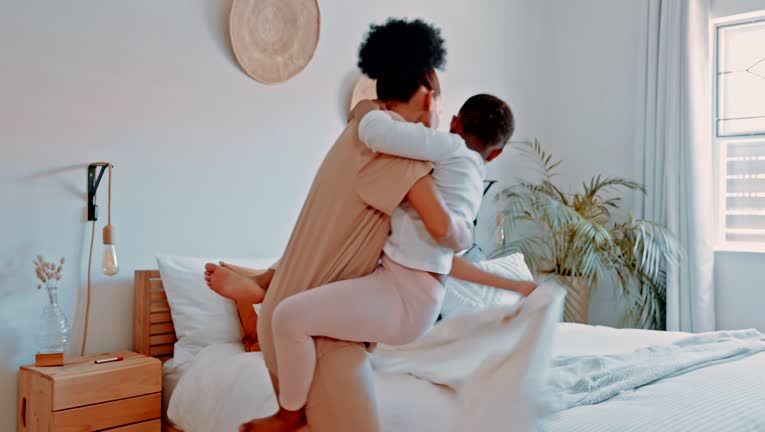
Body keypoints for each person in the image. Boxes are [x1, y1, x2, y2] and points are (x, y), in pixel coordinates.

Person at [205, 19, 527, 432]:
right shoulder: (415, 159)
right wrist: (464, 237)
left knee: (294, 309)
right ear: (429, 98)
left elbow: (432, 235)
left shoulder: (394, 148)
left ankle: (267, 292)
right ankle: (268, 295)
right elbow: (441, 234)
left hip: (395, 291)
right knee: (295, 312)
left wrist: (364, 111)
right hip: (396, 292)